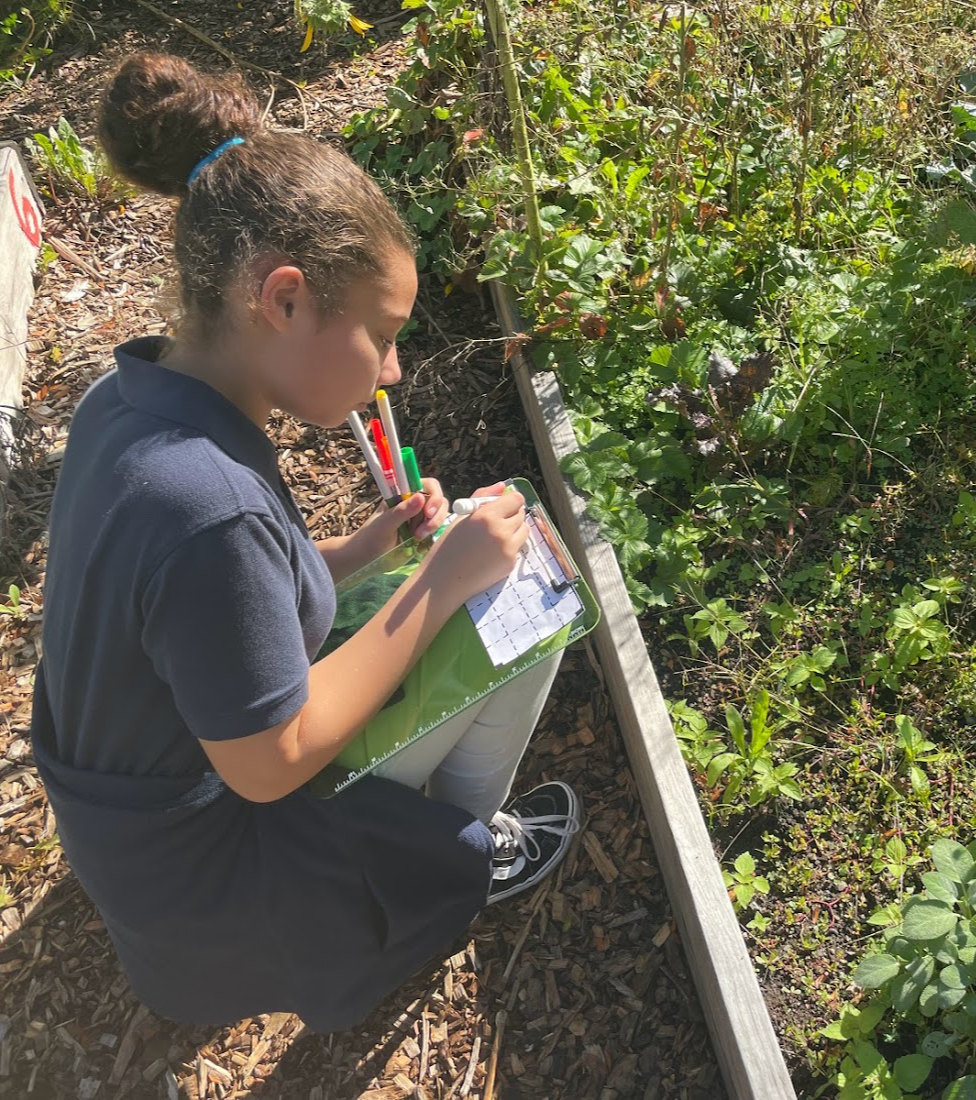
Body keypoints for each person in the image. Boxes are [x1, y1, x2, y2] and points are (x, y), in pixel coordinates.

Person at [29, 51, 580, 1033]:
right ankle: (447, 853)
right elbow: (270, 757)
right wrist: (443, 580)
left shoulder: (136, 404)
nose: (392, 368)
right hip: (210, 872)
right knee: (524, 600)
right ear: (282, 299)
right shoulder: (209, 507)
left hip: (131, 826)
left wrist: (366, 548)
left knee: (480, 576)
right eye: (382, 333)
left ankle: (426, 831)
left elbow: (213, 614)